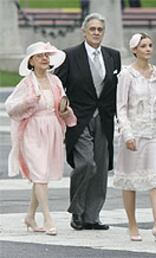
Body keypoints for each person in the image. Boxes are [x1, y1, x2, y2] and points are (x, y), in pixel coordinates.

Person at [55, 13, 121, 231]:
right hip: (78, 119)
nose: (96, 33)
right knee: (86, 164)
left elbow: (115, 90)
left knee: (100, 169)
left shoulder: (113, 56)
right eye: (92, 29)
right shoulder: (70, 56)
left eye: (99, 29)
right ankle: (77, 211)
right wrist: (62, 106)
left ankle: (92, 216)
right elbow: (57, 85)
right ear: (84, 31)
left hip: (104, 118)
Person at [6, 41, 77, 236]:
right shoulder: (26, 83)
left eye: (47, 55)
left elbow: (62, 106)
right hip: (32, 131)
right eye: (40, 56)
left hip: (52, 130)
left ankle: (30, 215)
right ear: (31, 61)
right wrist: (29, 102)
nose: (45, 58)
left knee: (42, 176)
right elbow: (11, 107)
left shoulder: (55, 81)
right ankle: (47, 217)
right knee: (39, 174)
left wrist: (65, 110)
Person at [113, 33, 156, 241]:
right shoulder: (126, 74)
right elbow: (121, 108)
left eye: (150, 45)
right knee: (130, 180)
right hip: (134, 133)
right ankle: (132, 224)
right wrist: (127, 133)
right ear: (134, 50)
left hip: (154, 131)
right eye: (143, 46)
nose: (148, 49)